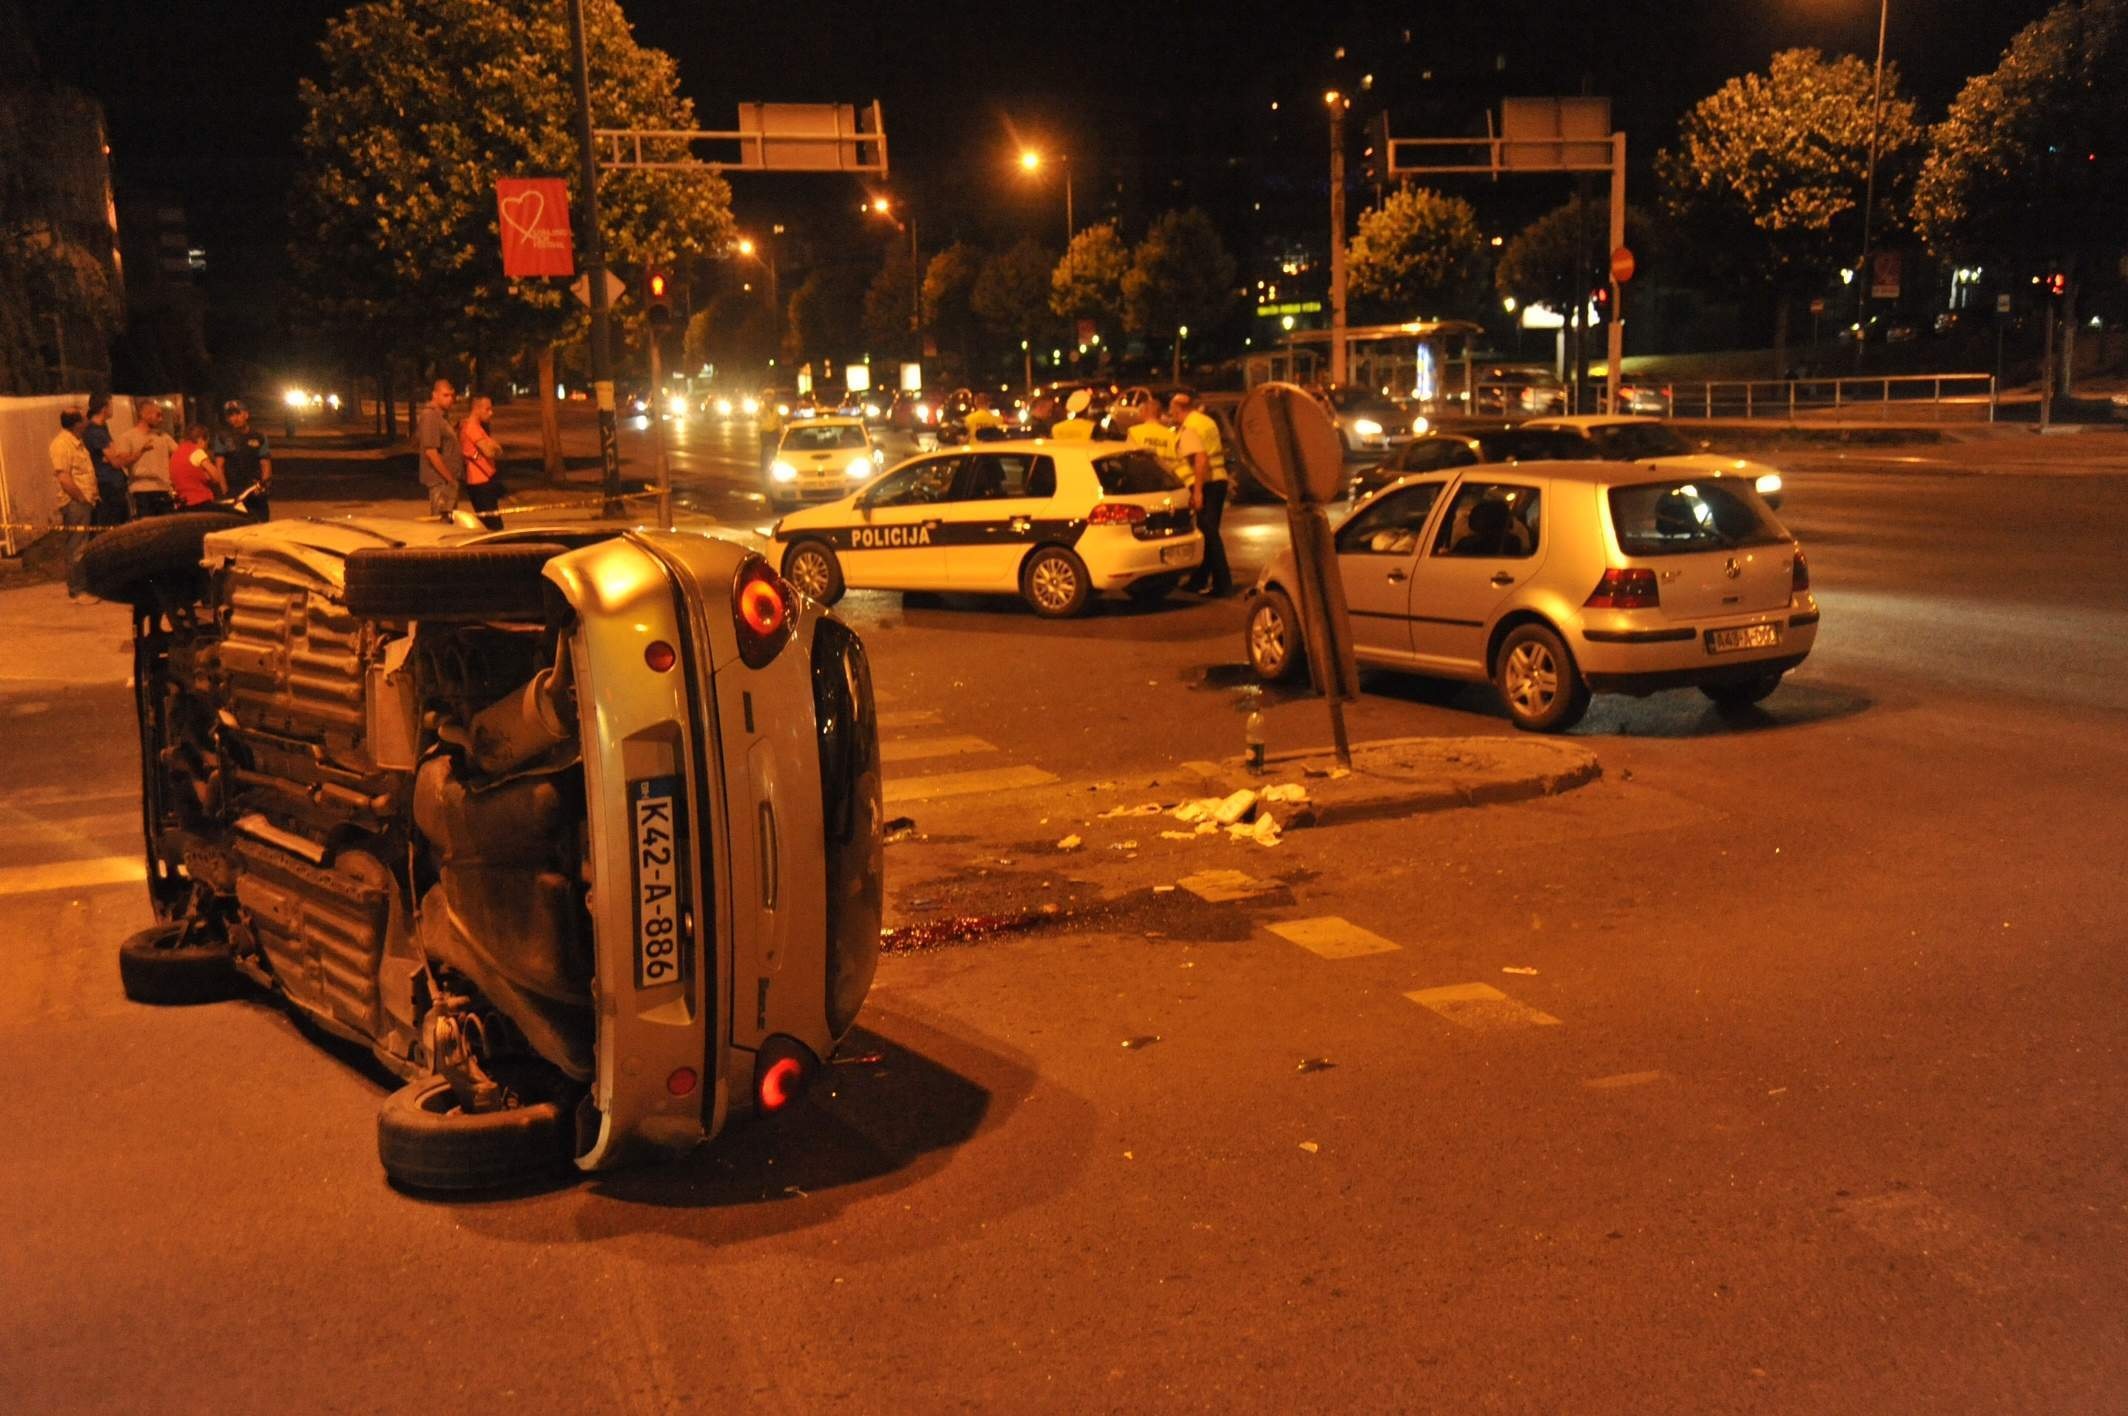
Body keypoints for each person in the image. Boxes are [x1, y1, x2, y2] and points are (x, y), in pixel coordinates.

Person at [1171, 391, 1233, 597]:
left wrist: (1197, 491)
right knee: (1210, 533)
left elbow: (1200, 458)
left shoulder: (1190, 427)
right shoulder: (1206, 421)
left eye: (1172, 409)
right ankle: (1199, 580)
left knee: (1210, 535)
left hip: (1207, 483)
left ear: (1179, 409)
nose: (1170, 413)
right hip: (1218, 480)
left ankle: (1222, 583)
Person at [49, 408, 99, 598]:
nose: (88, 422)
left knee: (83, 546)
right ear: (77, 424)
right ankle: (77, 589)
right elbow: (64, 477)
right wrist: (80, 497)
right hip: (75, 502)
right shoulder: (62, 444)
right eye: (84, 419)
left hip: (85, 501)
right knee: (77, 547)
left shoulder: (77, 442)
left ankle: (84, 585)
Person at [106, 398, 178, 517]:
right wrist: (141, 451)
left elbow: (179, 454)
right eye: (158, 415)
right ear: (144, 415)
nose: (161, 419)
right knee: (146, 530)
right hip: (142, 492)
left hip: (164, 490)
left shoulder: (163, 437)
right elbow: (121, 462)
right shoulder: (127, 437)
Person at [212, 399, 273, 521]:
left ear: (246, 414)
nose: (234, 418)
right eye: (230, 415)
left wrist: (263, 485)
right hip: (234, 489)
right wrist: (225, 491)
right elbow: (220, 466)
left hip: (254, 488)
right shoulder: (222, 437)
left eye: (237, 413)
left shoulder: (259, 436)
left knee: (261, 523)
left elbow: (265, 464)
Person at [415, 379, 462, 520]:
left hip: (447, 482)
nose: (450, 399)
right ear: (434, 395)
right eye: (445, 395)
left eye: (451, 396)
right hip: (441, 482)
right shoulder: (430, 416)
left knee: (450, 524)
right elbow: (431, 452)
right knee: (442, 524)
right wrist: (450, 479)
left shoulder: (441, 416)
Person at [458, 393, 504, 530]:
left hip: (485, 480)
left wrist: (492, 447)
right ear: (476, 408)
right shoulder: (472, 428)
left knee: (492, 524)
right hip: (480, 482)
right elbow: (490, 451)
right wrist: (492, 447)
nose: (491, 413)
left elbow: (499, 450)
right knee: (493, 526)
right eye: (487, 409)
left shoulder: (479, 428)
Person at [81, 394, 127, 527]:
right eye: (110, 405)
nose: (112, 409)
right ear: (103, 408)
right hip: (108, 485)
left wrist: (114, 455)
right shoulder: (94, 431)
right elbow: (116, 461)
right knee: (113, 524)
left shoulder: (103, 427)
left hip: (115, 482)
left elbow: (115, 453)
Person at [169, 423, 227, 508]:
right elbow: (216, 477)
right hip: (200, 500)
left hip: (183, 502)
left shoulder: (176, 453)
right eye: (207, 443)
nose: (206, 447)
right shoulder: (197, 452)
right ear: (201, 440)